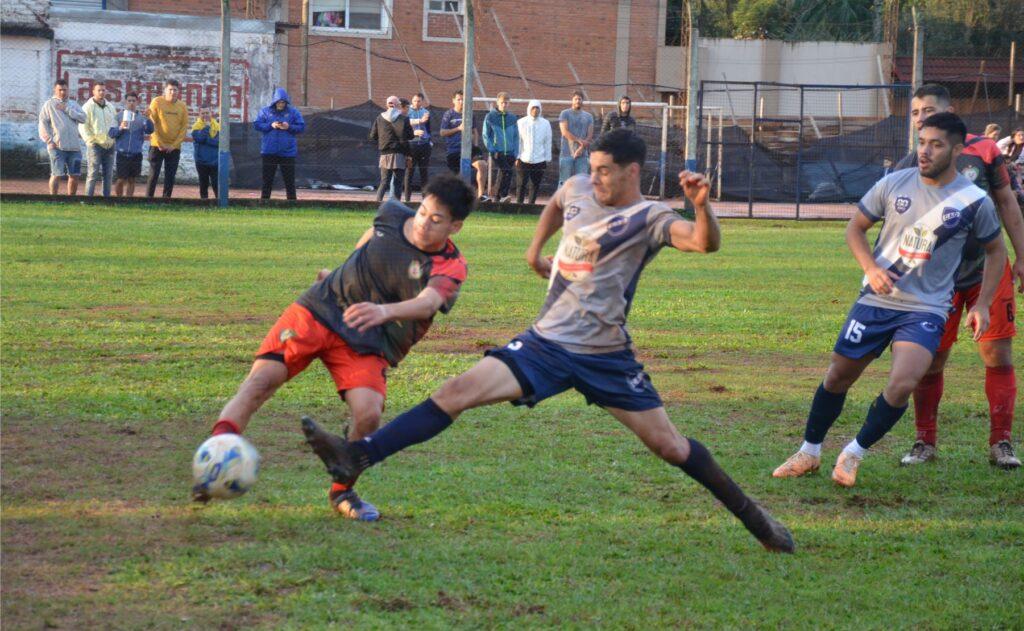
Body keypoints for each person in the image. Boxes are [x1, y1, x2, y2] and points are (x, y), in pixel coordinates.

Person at [301, 130, 795, 553]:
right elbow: (559, 203)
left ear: (632, 172)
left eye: (605, 170)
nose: (594, 177)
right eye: (592, 168)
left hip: (606, 357)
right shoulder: (580, 185)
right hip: (544, 345)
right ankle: (356, 457)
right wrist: (535, 250)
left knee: (669, 446)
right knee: (455, 393)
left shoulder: (650, 217)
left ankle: (756, 519)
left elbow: (703, 242)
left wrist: (703, 207)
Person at [193, 173, 476, 521]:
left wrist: (382, 311)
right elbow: (373, 238)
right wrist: (344, 271)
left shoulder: (450, 265)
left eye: (436, 220)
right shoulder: (391, 214)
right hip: (321, 308)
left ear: (455, 227)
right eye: (422, 211)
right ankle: (213, 463)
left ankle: (342, 490)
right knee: (260, 381)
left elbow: (428, 303)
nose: (423, 223)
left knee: (368, 415)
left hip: (368, 337)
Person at [772, 113, 1009, 487]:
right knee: (837, 377)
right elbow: (855, 229)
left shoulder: (974, 200)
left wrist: (981, 304)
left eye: (936, 144)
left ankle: (853, 453)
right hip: (876, 302)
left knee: (903, 382)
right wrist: (870, 267)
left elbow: (997, 252)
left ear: (958, 149)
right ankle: (809, 451)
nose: (925, 151)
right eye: (922, 142)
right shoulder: (894, 183)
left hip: (927, 309)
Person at [891, 85, 1024, 469]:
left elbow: (1006, 201)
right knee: (931, 359)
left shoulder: (984, 151)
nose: (920, 117)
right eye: (915, 112)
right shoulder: (908, 165)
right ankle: (924, 442)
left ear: (951, 113)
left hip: (987, 269)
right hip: (936, 279)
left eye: (929, 110)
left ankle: (1002, 443)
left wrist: (1022, 255)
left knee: (997, 354)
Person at [254, 87, 305, 200]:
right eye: (279, 102)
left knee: (289, 181)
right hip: (269, 151)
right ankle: (264, 203)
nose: (281, 104)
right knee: (267, 180)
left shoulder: (293, 112)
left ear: (286, 102)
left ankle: (292, 203)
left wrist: (289, 127)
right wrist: (270, 125)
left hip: (287, 153)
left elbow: (301, 126)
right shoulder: (265, 111)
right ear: (274, 101)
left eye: (283, 102)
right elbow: (257, 125)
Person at [38, 78, 86, 196]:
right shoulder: (49, 104)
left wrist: (67, 109)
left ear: (68, 90)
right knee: (56, 174)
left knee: (74, 175)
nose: (63, 92)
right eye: (60, 90)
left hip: (74, 148)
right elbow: (42, 123)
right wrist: (49, 141)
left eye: (65, 90)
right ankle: (54, 199)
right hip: (57, 147)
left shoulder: (73, 105)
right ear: (55, 90)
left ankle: (71, 200)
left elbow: (83, 118)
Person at [439, 90, 488, 199]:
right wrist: (458, 128)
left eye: (463, 100)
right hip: (454, 150)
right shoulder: (448, 114)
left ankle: (481, 195)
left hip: (469, 148)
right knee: (458, 179)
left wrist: (474, 145)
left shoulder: (470, 114)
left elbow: (475, 131)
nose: (461, 102)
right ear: (453, 101)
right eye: (459, 99)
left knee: (483, 165)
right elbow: (442, 132)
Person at [146, 80, 189, 198]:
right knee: (153, 174)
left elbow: (184, 127)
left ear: (178, 92)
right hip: (157, 146)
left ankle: (166, 200)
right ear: (165, 90)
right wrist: (160, 143)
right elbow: (152, 123)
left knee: (170, 175)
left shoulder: (182, 106)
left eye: (175, 90)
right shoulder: (157, 102)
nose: (172, 92)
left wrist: (174, 145)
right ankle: (148, 199)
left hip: (174, 148)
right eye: (170, 89)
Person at [368, 95, 413, 202]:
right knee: (398, 183)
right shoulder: (404, 119)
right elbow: (410, 136)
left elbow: (373, 136)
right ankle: (396, 205)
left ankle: (377, 202)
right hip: (399, 154)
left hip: (384, 153)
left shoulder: (379, 118)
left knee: (384, 182)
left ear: (386, 105)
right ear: (398, 105)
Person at [109, 92, 154, 198]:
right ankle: (119, 200)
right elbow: (111, 133)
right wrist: (120, 127)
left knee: (132, 179)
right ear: (125, 102)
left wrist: (148, 118)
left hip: (136, 153)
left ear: (137, 102)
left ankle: (129, 201)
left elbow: (150, 130)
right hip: (122, 153)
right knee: (120, 179)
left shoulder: (141, 118)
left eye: (133, 101)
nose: (131, 103)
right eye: (129, 101)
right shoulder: (118, 116)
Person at [79, 81, 118, 198]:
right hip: (95, 145)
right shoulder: (87, 107)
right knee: (92, 174)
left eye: (103, 90)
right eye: (99, 90)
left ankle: (106, 199)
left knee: (108, 175)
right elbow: (83, 126)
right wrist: (90, 141)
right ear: (93, 92)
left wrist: (113, 139)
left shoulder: (110, 107)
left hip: (109, 145)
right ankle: (88, 199)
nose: (101, 92)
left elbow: (115, 123)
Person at [482, 92, 520, 202]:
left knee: (504, 173)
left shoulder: (513, 118)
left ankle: (497, 198)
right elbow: (485, 135)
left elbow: (516, 136)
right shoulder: (490, 116)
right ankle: (503, 195)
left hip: (510, 152)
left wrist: (516, 152)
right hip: (497, 151)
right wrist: (492, 150)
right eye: (502, 102)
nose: (504, 105)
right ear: (497, 102)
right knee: (507, 171)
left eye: (506, 103)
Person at [515, 99, 551, 204]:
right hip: (523, 158)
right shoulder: (521, 122)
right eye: (533, 108)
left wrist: (547, 158)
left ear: (540, 110)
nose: (535, 110)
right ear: (529, 109)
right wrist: (517, 157)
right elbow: (518, 141)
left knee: (535, 185)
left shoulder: (545, 123)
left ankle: (531, 206)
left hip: (540, 159)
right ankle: (519, 205)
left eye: (537, 108)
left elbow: (548, 141)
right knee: (521, 184)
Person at [558, 91, 594, 186]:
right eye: (576, 99)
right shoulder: (565, 113)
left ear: (582, 101)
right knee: (564, 182)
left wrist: (581, 148)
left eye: (580, 99)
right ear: (572, 101)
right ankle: (562, 201)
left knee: (582, 183)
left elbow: (590, 136)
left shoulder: (589, 117)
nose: (578, 101)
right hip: (566, 154)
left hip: (583, 155)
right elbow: (564, 132)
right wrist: (579, 140)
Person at [404, 93, 432, 203]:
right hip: (411, 146)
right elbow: (407, 123)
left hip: (424, 145)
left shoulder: (426, 112)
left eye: (419, 101)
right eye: (414, 101)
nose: (416, 103)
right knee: (409, 172)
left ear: (422, 102)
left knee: (424, 173)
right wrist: (419, 122)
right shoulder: (408, 111)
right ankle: (407, 199)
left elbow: (428, 127)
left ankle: (425, 199)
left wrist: (429, 141)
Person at [191, 105, 220, 200]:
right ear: (199, 114)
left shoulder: (218, 126)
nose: (205, 115)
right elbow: (200, 138)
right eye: (203, 113)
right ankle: (204, 203)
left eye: (207, 113)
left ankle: (219, 202)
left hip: (215, 161)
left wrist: (207, 140)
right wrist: (207, 127)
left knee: (216, 183)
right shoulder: (196, 127)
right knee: (203, 183)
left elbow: (219, 142)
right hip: (201, 161)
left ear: (211, 113)